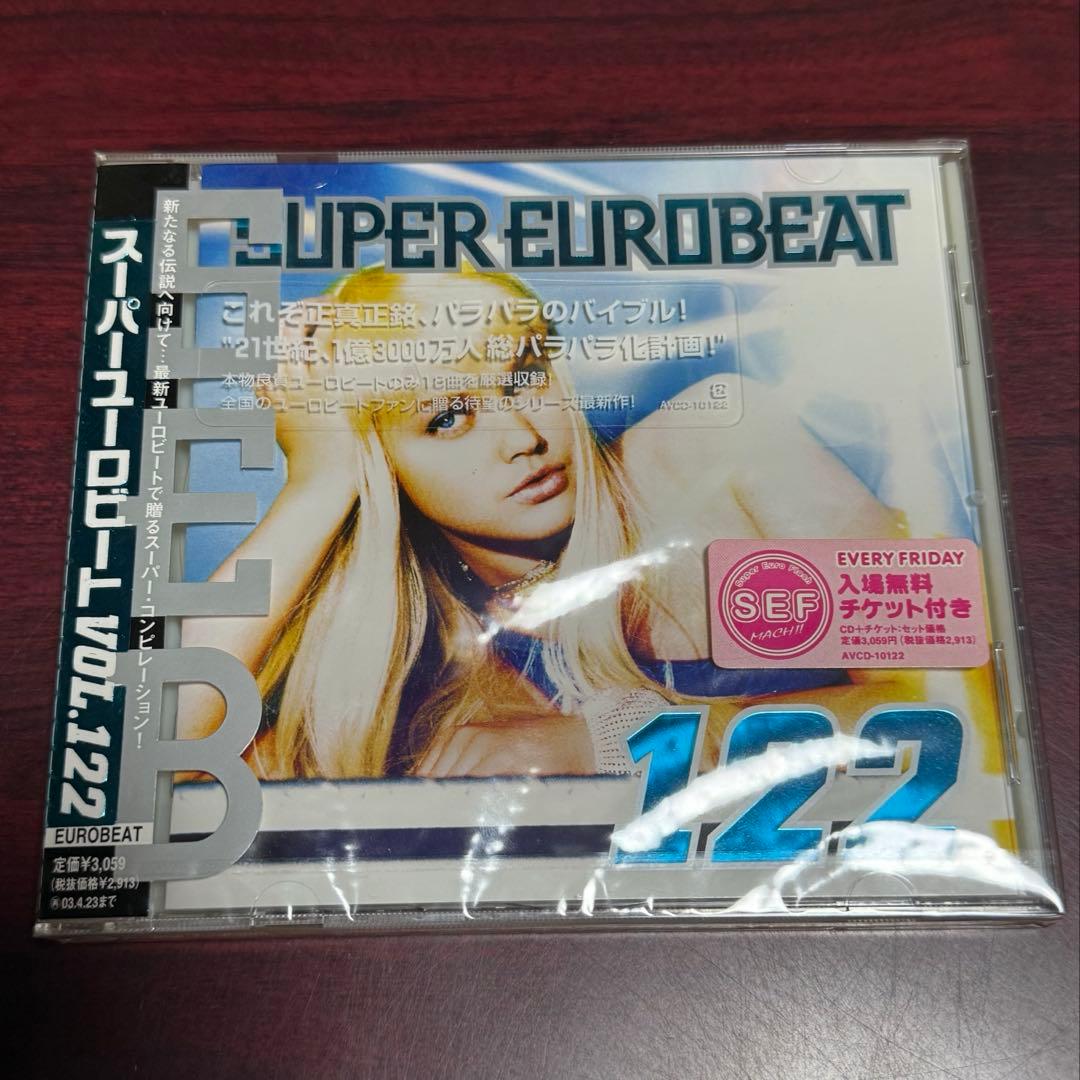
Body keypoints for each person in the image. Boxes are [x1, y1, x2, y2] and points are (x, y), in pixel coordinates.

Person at [179, 267, 913, 780]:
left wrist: (620, 742)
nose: (522, 437)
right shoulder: (422, 670)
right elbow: (160, 753)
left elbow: (946, 691)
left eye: (524, 376)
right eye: (447, 419)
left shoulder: (720, 447)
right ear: (382, 466)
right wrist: (316, 486)